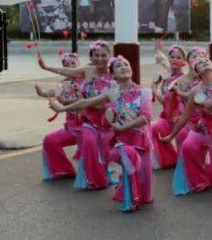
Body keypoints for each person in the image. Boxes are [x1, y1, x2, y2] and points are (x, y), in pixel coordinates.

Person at [50, 56, 154, 212]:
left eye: (126, 64)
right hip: (121, 144)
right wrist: (61, 108)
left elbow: (145, 117)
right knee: (128, 154)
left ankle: (125, 187)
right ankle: (130, 199)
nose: (124, 67)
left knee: (145, 193)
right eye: (119, 66)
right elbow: (85, 102)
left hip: (142, 142)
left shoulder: (145, 92)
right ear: (113, 74)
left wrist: (123, 127)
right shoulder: (111, 93)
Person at [38, 40, 117, 190]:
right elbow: (66, 72)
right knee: (87, 142)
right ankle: (91, 178)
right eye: (96, 55)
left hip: (107, 122)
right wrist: (46, 67)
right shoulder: (87, 71)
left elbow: (113, 101)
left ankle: (109, 175)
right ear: (91, 57)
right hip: (87, 121)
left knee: (107, 151)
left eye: (103, 55)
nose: (100, 58)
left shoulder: (114, 74)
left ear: (109, 56)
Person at [161, 56, 212, 195]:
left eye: (206, 60)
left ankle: (211, 170)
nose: (204, 62)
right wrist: (171, 136)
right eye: (199, 63)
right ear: (197, 72)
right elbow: (185, 115)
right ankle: (199, 181)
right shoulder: (195, 91)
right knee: (187, 147)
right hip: (202, 130)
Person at [38, 50, 84, 181]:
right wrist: (41, 93)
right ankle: (65, 170)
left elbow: (83, 101)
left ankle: (94, 174)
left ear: (79, 63)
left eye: (73, 63)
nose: (70, 67)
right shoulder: (64, 84)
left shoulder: (87, 82)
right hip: (72, 128)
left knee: (89, 144)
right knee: (50, 140)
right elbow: (52, 92)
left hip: (88, 127)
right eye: (66, 65)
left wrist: (64, 102)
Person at [151, 40, 191, 169]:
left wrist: (155, 91)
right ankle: (169, 159)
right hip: (167, 117)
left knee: (182, 135)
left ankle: (183, 161)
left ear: (184, 61)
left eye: (178, 57)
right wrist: (155, 90)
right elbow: (164, 102)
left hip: (180, 119)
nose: (174, 59)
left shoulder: (184, 79)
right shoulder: (168, 79)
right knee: (154, 129)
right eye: (172, 57)